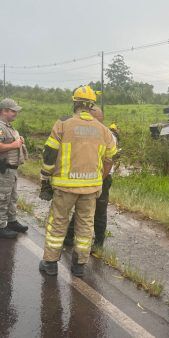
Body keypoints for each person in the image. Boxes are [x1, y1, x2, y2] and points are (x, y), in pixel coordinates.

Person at [38, 85, 117, 277]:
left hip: (65, 187)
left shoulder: (63, 124)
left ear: (75, 103)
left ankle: (50, 263)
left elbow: (49, 154)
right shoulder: (103, 130)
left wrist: (45, 178)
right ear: (91, 105)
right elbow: (110, 158)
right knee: (85, 225)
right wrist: (99, 179)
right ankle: (79, 265)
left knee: (58, 223)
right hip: (90, 188)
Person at [64, 106, 117, 251]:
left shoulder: (107, 135)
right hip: (85, 177)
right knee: (82, 208)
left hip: (101, 178)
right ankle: (68, 237)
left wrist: (99, 181)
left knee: (99, 211)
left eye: (98, 119)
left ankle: (98, 243)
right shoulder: (84, 132)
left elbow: (109, 162)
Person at [0, 98, 29, 239]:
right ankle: (1, 226)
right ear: (4, 111)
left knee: (12, 197)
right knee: (2, 197)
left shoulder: (8, 127)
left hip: (12, 169)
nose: (15, 113)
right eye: (13, 111)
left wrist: (18, 141)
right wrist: (15, 145)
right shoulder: (0, 127)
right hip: (4, 169)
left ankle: (11, 221)